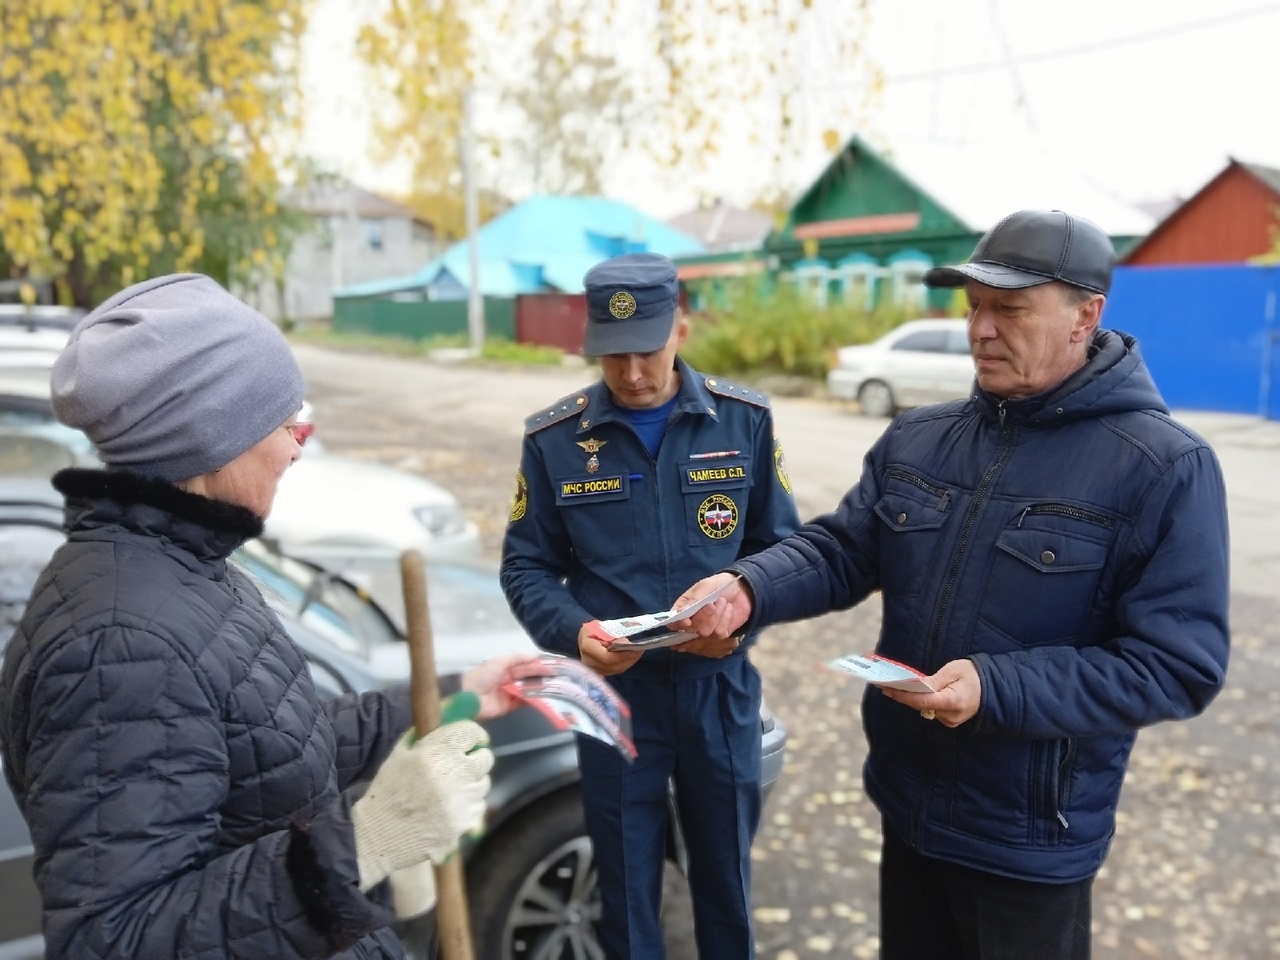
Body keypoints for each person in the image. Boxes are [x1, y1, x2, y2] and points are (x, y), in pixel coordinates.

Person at [671, 210, 1231, 960]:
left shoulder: (1162, 468)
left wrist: (994, 688)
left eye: (1010, 308)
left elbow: (1176, 664)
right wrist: (748, 587)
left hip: (1028, 846)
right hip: (909, 810)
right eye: (973, 307)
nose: (981, 330)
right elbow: (842, 548)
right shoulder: (921, 437)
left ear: (1085, 315)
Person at [0, 273, 548, 959]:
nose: (299, 442)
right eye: (285, 420)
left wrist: (451, 696)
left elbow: (271, 743)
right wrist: (366, 846)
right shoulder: (118, 643)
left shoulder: (181, 567)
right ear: (206, 436)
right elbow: (116, 939)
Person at [500, 252, 801, 959]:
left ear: (682, 330)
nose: (632, 374)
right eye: (613, 357)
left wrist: (741, 616)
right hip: (615, 697)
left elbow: (783, 552)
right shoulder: (555, 440)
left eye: (647, 352)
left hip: (718, 693)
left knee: (724, 883)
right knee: (627, 892)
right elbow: (526, 566)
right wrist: (576, 635)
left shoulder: (743, 422)